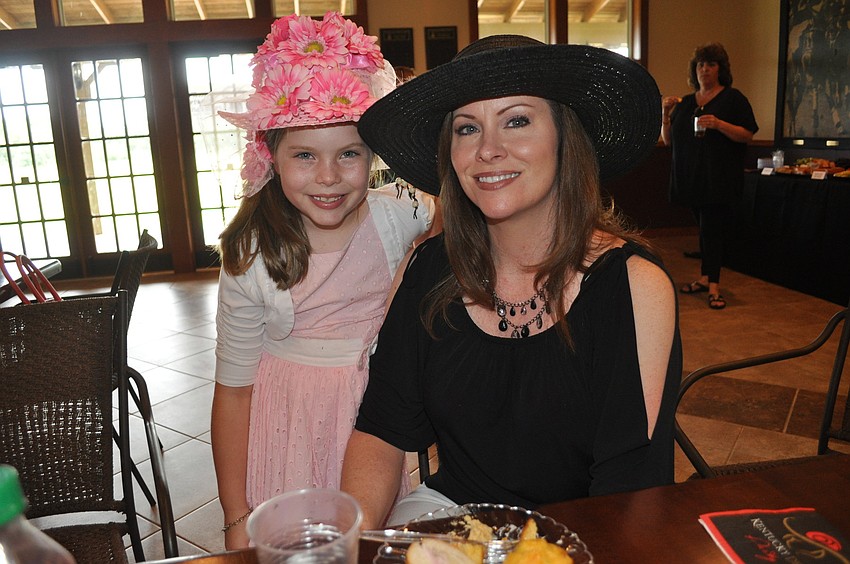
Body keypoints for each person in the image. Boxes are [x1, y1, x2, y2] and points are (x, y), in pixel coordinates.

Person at [341, 34, 682, 529]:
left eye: (516, 121)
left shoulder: (632, 287)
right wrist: (351, 545)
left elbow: (629, 494)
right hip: (454, 518)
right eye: (466, 128)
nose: (488, 150)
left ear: (567, 138)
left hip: (582, 532)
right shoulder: (430, 270)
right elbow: (380, 433)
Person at [209, 12, 436, 549]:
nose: (329, 177)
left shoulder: (402, 214)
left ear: (371, 156)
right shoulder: (251, 253)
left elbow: (451, 218)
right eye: (305, 155)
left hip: (382, 421)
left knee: (380, 546)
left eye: (349, 154)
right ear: (270, 156)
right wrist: (235, 514)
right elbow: (234, 393)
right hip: (291, 429)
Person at [661, 42, 758, 310]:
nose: (704, 69)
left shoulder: (733, 98)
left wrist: (718, 124)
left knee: (712, 230)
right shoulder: (687, 102)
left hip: (719, 179)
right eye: (700, 64)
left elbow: (747, 134)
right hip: (690, 179)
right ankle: (705, 277)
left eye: (710, 64)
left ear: (720, 69)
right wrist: (665, 114)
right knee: (703, 232)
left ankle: (714, 287)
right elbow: (668, 142)